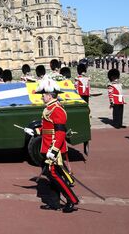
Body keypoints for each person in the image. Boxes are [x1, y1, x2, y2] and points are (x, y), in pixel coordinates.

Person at [35, 78, 79, 213]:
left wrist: (53, 150)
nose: (42, 96)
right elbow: (49, 128)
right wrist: (36, 131)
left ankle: (72, 199)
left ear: (49, 95)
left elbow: (60, 133)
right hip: (47, 146)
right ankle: (54, 202)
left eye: (44, 94)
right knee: (51, 175)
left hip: (53, 149)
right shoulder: (50, 108)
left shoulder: (57, 109)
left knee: (54, 174)